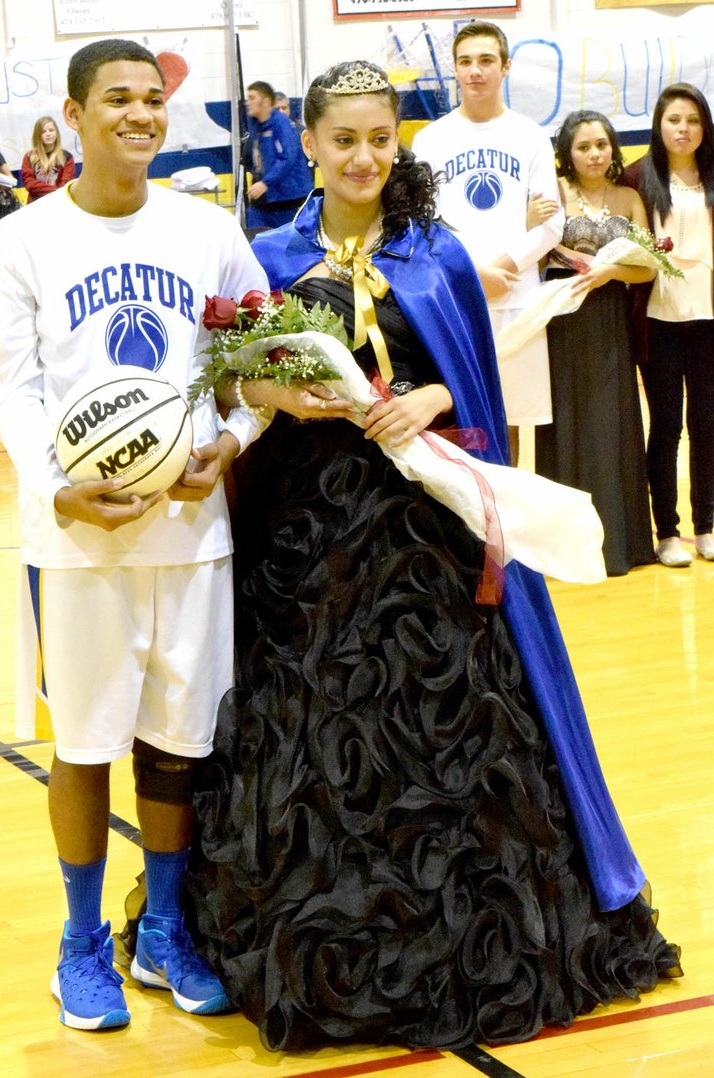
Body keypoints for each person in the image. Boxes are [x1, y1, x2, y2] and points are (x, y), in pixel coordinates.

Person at [181, 60, 681, 1053]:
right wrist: (285, 396)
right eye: (345, 140)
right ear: (311, 147)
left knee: (452, 720)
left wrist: (435, 398)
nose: (364, 156)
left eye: (380, 139)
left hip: (425, 525)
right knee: (318, 717)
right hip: (310, 536)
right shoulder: (267, 256)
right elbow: (242, 392)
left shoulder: (434, 252)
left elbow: (476, 371)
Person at [0, 38, 269, 1032]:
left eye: (152, 100)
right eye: (118, 100)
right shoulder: (22, 240)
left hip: (190, 528)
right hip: (79, 538)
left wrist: (228, 441)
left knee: (181, 745)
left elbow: (258, 367)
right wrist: (57, 489)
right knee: (88, 742)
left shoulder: (210, 231)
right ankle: (79, 942)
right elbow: (12, 386)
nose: (140, 116)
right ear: (74, 113)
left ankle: (166, 930)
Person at [411, 21, 564, 465]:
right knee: (462, 424)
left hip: (518, 301)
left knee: (514, 424)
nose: (475, 71)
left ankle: (506, 529)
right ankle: (467, 530)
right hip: (456, 299)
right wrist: (472, 275)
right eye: (465, 62)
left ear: (505, 67)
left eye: (485, 61)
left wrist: (504, 266)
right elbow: (422, 226)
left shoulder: (531, 136)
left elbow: (551, 226)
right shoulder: (429, 140)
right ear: (455, 70)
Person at [534, 110, 656, 576]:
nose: (594, 153)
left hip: (609, 319)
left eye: (601, 144)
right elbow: (534, 249)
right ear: (567, 152)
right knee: (565, 419)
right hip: (561, 316)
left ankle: (620, 543)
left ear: (613, 149)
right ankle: (563, 547)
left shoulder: (628, 197)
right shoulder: (555, 194)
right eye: (583, 146)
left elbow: (647, 267)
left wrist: (610, 271)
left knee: (611, 421)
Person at [622, 83, 714, 567]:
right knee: (666, 427)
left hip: (708, 318)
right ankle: (668, 532)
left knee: (708, 424)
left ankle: (707, 526)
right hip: (658, 318)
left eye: (693, 120)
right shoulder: (639, 177)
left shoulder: (712, 174)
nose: (684, 129)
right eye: (675, 119)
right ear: (659, 125)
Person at [245, 79, 313, 230]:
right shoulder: (257, 125)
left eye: (252, 98)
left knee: (287, 241)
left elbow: (288, 158)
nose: (248, 102)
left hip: (287, 196)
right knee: (255, 236)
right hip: (266, 196)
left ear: (266, 102)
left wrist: (265, 183)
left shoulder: (281, 124)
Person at [21, 115, 77, 202]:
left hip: (58, 203)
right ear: (37, 135)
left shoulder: (67, 157)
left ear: (56, 133)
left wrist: (57, 193)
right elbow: (29, 184)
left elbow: (65, 186)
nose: (48, 134)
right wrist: (56, 191)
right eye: (43, 132)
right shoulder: (29, 157)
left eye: (51, 130)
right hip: (35, 204)